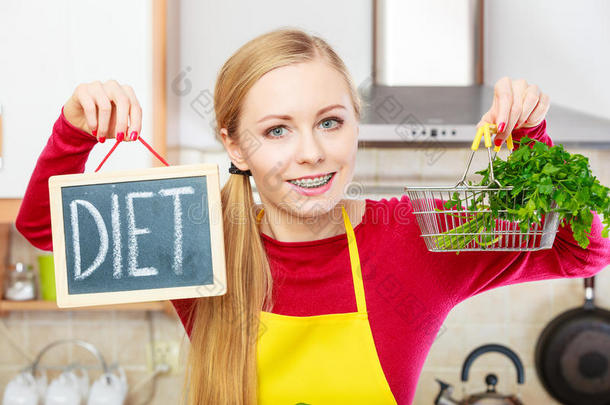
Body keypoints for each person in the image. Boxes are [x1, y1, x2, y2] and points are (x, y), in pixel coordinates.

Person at [15, 28, 610, 405]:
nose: (312, 152)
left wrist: (531, 137)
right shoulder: (196, 233)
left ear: (355, 125)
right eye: (277, 130)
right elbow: (44, 231)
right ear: (235, 146)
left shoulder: (414, 235)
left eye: (331, 122)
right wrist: (74, 129)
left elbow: (585, 252)